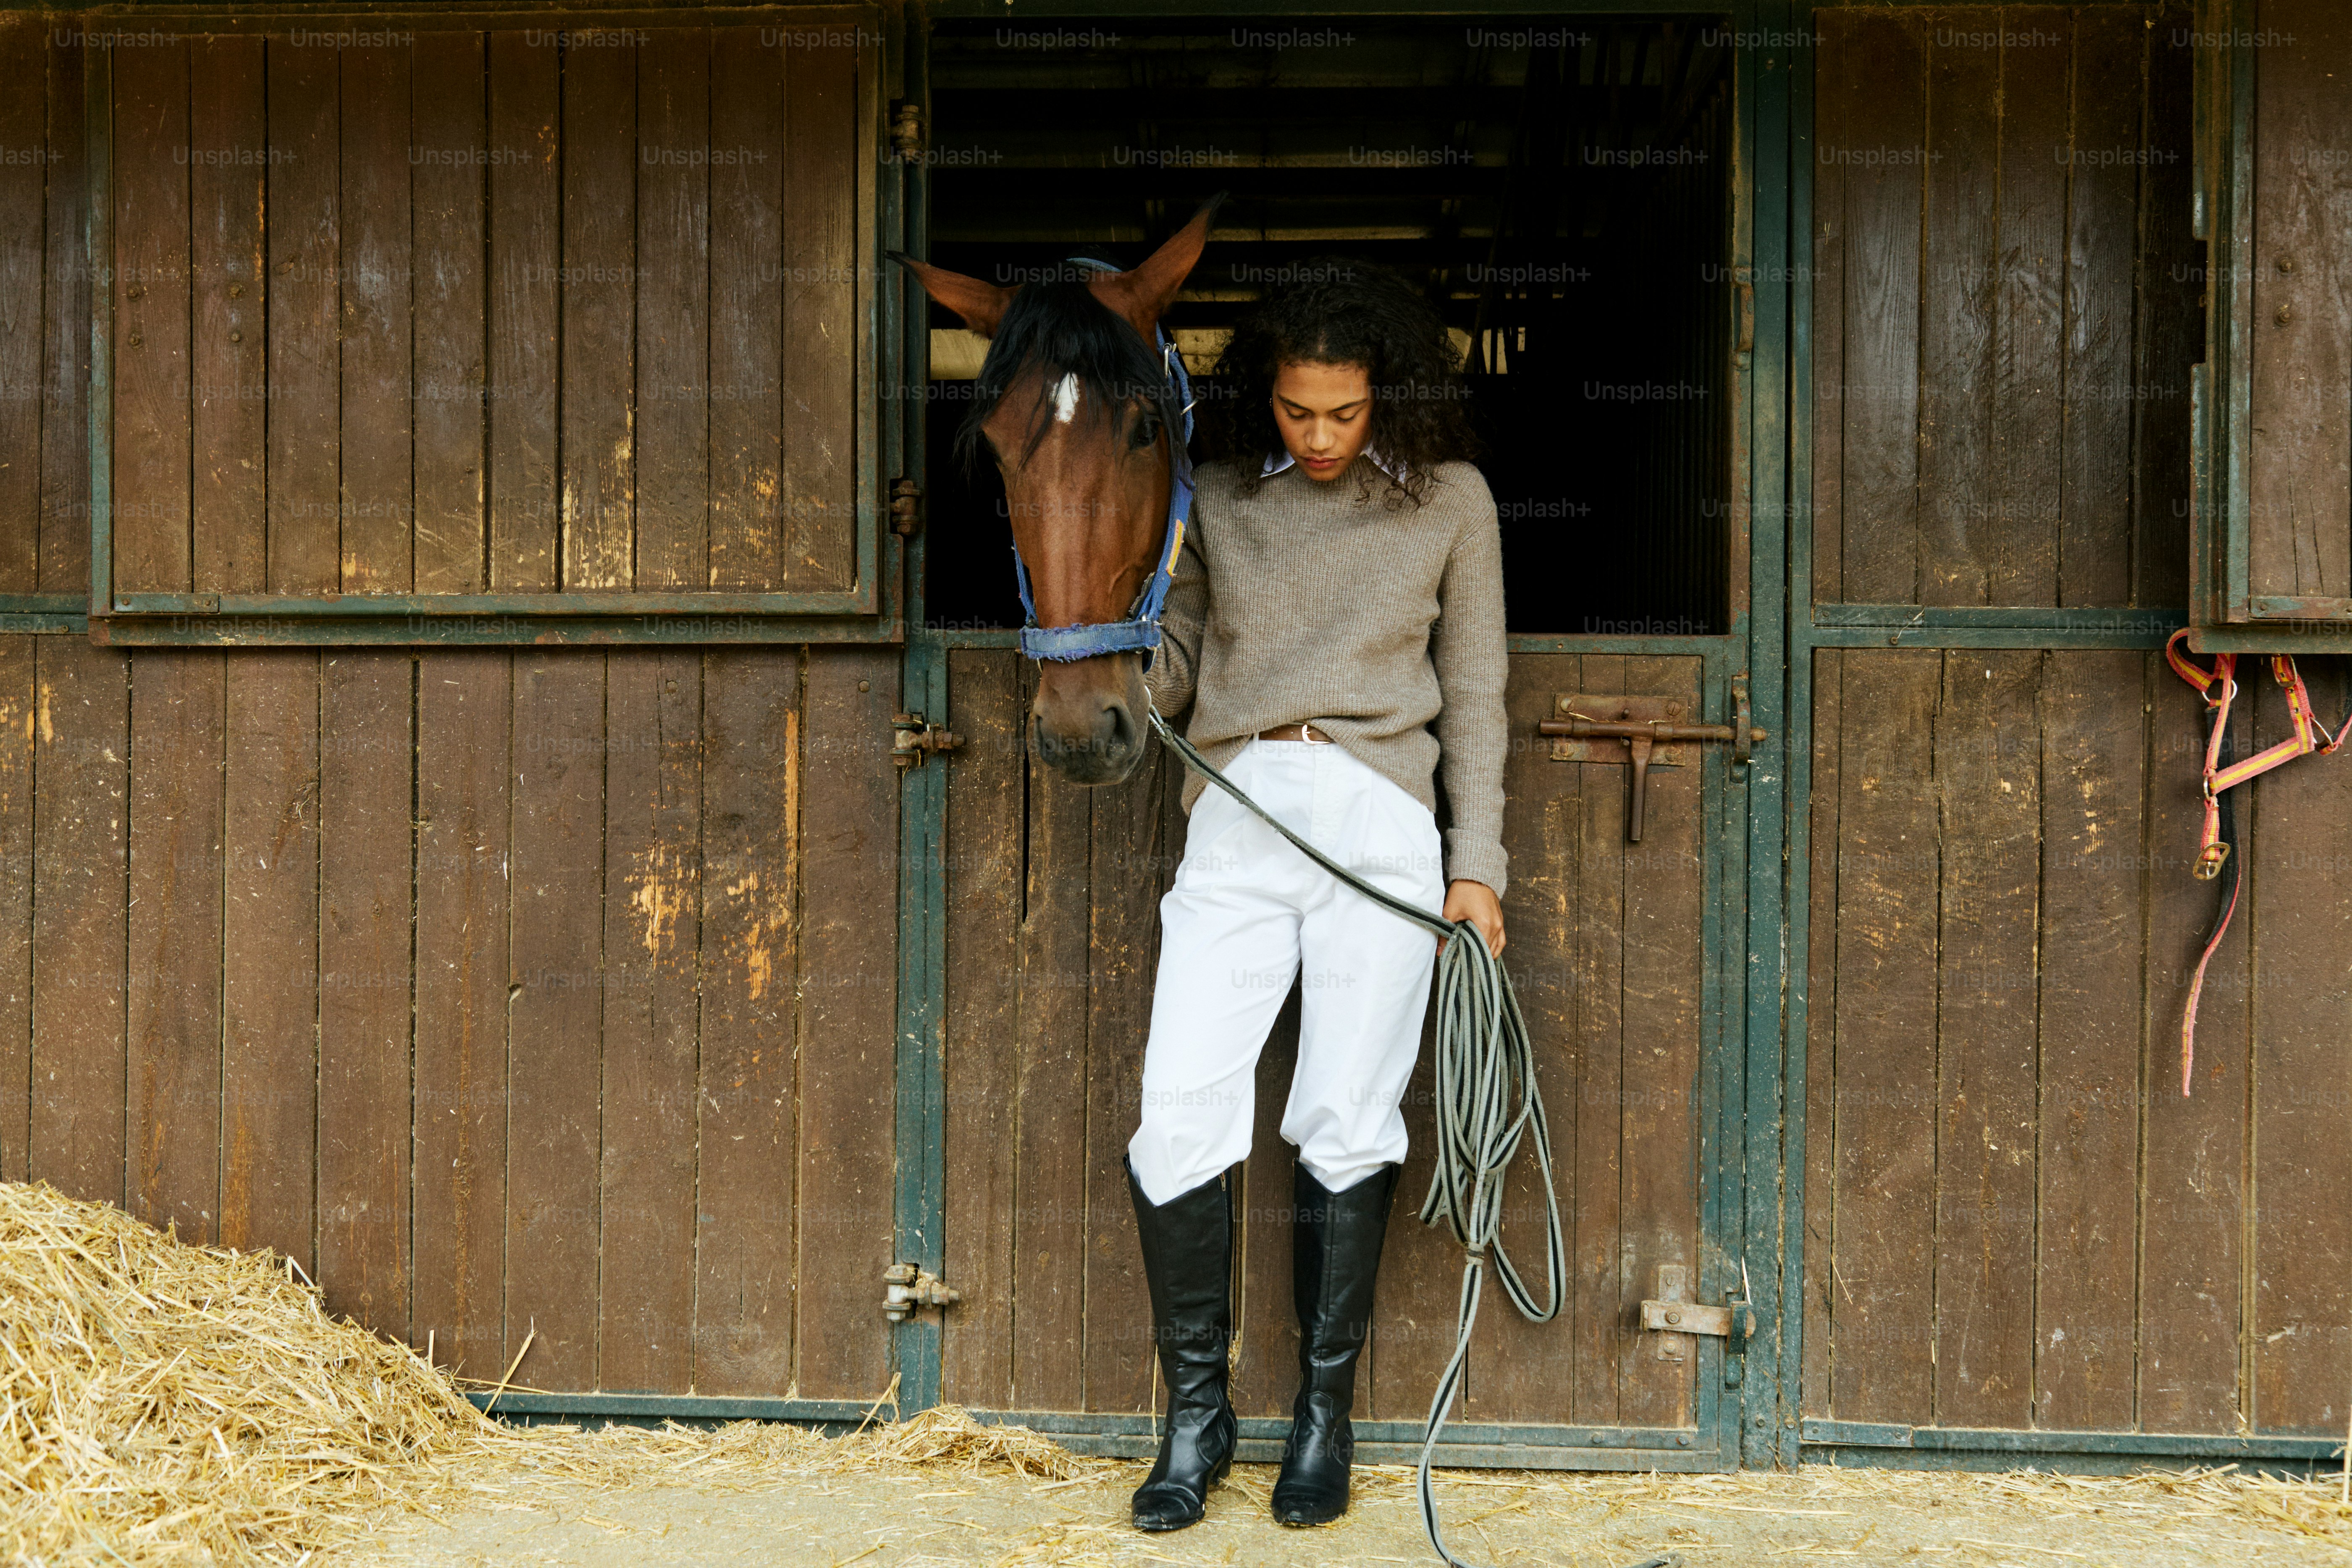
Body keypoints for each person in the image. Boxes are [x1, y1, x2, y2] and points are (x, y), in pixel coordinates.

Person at [1128, 259, 1508, 1532]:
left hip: (1384, 831)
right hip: (1237, 823)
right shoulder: (1220, 498)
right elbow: (1175, 675)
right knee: (1179, 1109)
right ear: (1267, 398)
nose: (1322, 436)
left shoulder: (1452, 500)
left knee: (1346, 1120)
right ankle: (1195, 1419)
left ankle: (1320, 1421)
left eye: (1345, 413)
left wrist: (1477, 868)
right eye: (1298, 411)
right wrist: (1108, 621)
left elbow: (1481, 697)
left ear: (1384, 396)